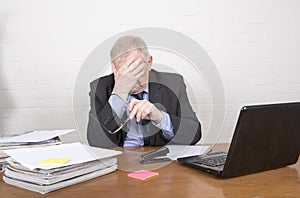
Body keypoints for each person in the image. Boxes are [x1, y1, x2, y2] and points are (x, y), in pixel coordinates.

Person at [87, 35, 201, 148]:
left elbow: (194, 134)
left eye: (136, 70)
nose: (130, 79)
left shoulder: (173, 84)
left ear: (149, 62)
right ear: (114, 68)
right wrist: (119, 93)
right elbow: (96, 142)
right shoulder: (99, 88)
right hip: (120, 159)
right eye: (124, 72)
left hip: (159, 159)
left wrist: (161, 118)